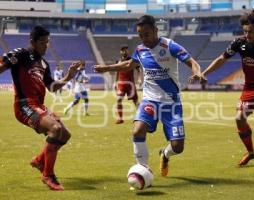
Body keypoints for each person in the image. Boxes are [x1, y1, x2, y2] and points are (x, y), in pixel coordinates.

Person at [94, 15, 205, 177]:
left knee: (178, 147)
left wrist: (197, 73)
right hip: (150, 100)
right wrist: (107, 68)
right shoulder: (140, 50)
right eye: (140, 35)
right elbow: (128, 65)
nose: (143, 38)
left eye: (146, 34)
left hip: (171, 103)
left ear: (155, 30)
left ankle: (165, 154)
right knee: (137, 131)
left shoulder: (170, 46)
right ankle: (143, 169)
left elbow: (192, 62)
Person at [202, 10, 254, 168]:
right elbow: (222, 59)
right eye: (245, 31)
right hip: (250, 87)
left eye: (251, 31)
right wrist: (204, 73)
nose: (247, 35)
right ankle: (251, 152)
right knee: (239, 118)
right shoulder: (238, 43)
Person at [0, 26, 82, 190]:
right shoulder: (21, 54)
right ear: (33, 42)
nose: (46, 46)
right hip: (24, 105)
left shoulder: (44, 63)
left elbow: (52, 87)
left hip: (38, 105)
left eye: (47, 42)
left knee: (65, 134)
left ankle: (39, 160)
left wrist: (68, 77)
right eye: (43, 43)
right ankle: (48, 175)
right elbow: (2, 66)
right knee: (55, 128)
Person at [115, 46, 142, 124]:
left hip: (130, 83)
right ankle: (120, 118)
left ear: (128, 51)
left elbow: (138, 69)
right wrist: (116, 82)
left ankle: (142, 116)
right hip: (121, 84)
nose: (124, 51)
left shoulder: (132, 60)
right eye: (123, 50)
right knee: (119, 100)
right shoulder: (118, 61)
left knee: (135, 101)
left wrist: (139, 78)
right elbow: (117, 71)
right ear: (121, 52)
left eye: (126, 50)